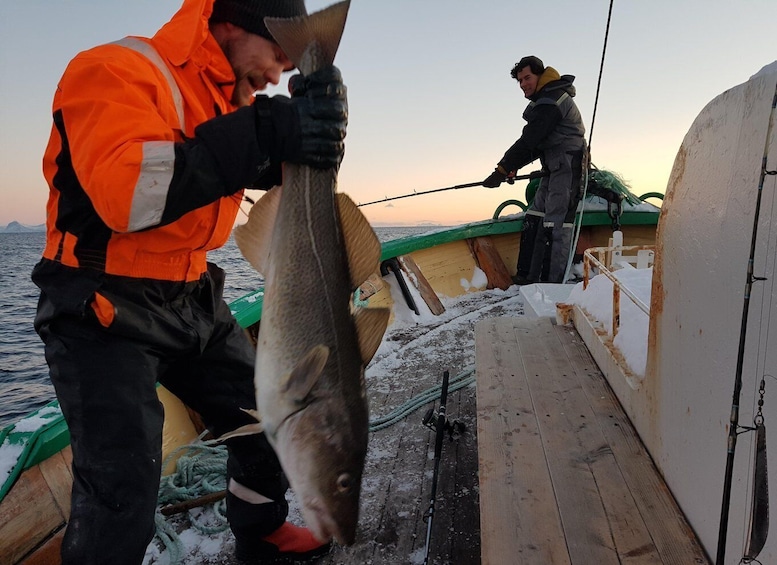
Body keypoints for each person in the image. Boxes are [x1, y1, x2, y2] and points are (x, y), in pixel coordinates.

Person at [31, 0, 347, 563]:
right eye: (276, 54)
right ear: (233, 23)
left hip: (192, 292)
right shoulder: (115, 69)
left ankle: (262, 530)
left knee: (265, 414)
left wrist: (296, 149)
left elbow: (212, 161)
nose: (276, 75)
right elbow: (130, 196)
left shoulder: (228, 99)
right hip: (101, 302)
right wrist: (262, 131)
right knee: (122, 480)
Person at [483, 55, 587, 284]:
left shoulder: (553, 99)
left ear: (540, 75)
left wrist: (502, 170)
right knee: (536, 215)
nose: (523, 84)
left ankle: (552, 284)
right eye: (519, 81)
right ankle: (529, 276)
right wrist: (509, 169)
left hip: (567, 166)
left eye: (527, 78)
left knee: (556, 223)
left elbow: (530, 139)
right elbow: (536, 144)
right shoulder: (544, 101)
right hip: (551, 166)